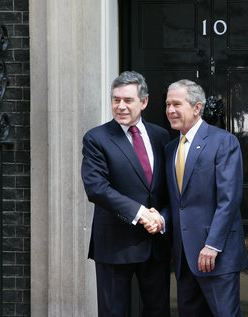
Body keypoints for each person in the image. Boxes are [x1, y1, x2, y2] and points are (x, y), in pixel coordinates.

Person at [81, 71, 170, 317]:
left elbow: (168, 189)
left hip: (155, 244)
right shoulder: (96, 138)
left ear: (144, 102)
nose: (120, 106)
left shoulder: (160, 136)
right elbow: (97, 188)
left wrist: (161, 219)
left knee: (158, 311)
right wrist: (141, 214)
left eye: (127, 100)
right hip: (114, 244)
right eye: (115, 99)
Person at [164, 79, 248, 317]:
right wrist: (162, 222)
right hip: (184, 258)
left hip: (216, 256)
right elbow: (176, 203)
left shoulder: (223, 141)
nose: (170, 110)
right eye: (168, 104)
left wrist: (212, 245)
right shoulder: (171, 148)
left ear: (197, 107)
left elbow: (229, 198)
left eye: (177, 104)